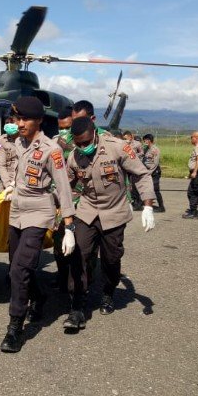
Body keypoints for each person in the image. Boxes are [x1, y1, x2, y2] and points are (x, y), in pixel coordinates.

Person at [64, 117, 155, 331]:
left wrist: (148, 205)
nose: (83, 147)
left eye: (86, 142)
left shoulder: (117, 147)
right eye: (78, 143)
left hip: (114, 212)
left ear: (95, 134)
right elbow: (65, 186)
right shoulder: (74, 157)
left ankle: (108, 291)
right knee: (79, 256)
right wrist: (62, 216)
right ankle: (77, 307)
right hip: (87, 212)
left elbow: (141, 174)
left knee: (111, 259)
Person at [0, 96, 75, 353]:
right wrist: (11, 186)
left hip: (39, 211)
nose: (19, 123)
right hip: (17, 210)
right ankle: (40, 296)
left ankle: (14, 328)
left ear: (39, 120)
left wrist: (69, 227)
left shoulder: (51, 149)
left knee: (19, 272)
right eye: (16, 118)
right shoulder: (17, 143)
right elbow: (14, 171)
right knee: (15, 268)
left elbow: (63, 187)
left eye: (24, 119)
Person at [52, 106, 76, 293]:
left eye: (67, 127)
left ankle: (75, 282)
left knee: (79, 244)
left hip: (79, 198)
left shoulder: (83, 141)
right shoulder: (53, 142)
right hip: (58, 199)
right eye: (61, 127)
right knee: (58, 241)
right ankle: (62, 278)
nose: (64, 131)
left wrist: (67, 146)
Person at [183, 131, 198, 219]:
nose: (191, 139)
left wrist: (194, 171)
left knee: (192, 192)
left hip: (197, 173)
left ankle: (193, 212)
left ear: (196, 138)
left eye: (191, 137)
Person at [121, 130, 145, 210]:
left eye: (126, 138)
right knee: (126, 185)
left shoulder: (137, 144)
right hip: (126, 167)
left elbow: (142, 153)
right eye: (124, 138)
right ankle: (129, 201)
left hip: (134, 166)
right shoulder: (123, 144)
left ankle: (138, 203)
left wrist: (133, 155)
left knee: (135, 185)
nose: (125, 140)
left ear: (130, 136)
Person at [0, 113, 20, 191]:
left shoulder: (25, 140)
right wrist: (8, 186)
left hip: (21, 183)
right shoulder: (1, 140)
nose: (9, 125)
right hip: (6, 183)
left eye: (12, 123)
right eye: (7, 123)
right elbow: (1, 165)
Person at [142, 134, 165, 212]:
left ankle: (161, 207)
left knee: (156, 189)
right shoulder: (147, 149)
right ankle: (149, 205)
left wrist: (150, 172)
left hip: (154, 172)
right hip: (148, 171)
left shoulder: (155, 149)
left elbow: (155, 163)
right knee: (149, 189)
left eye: (145, 140)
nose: (144, 142)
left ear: (149, 140)